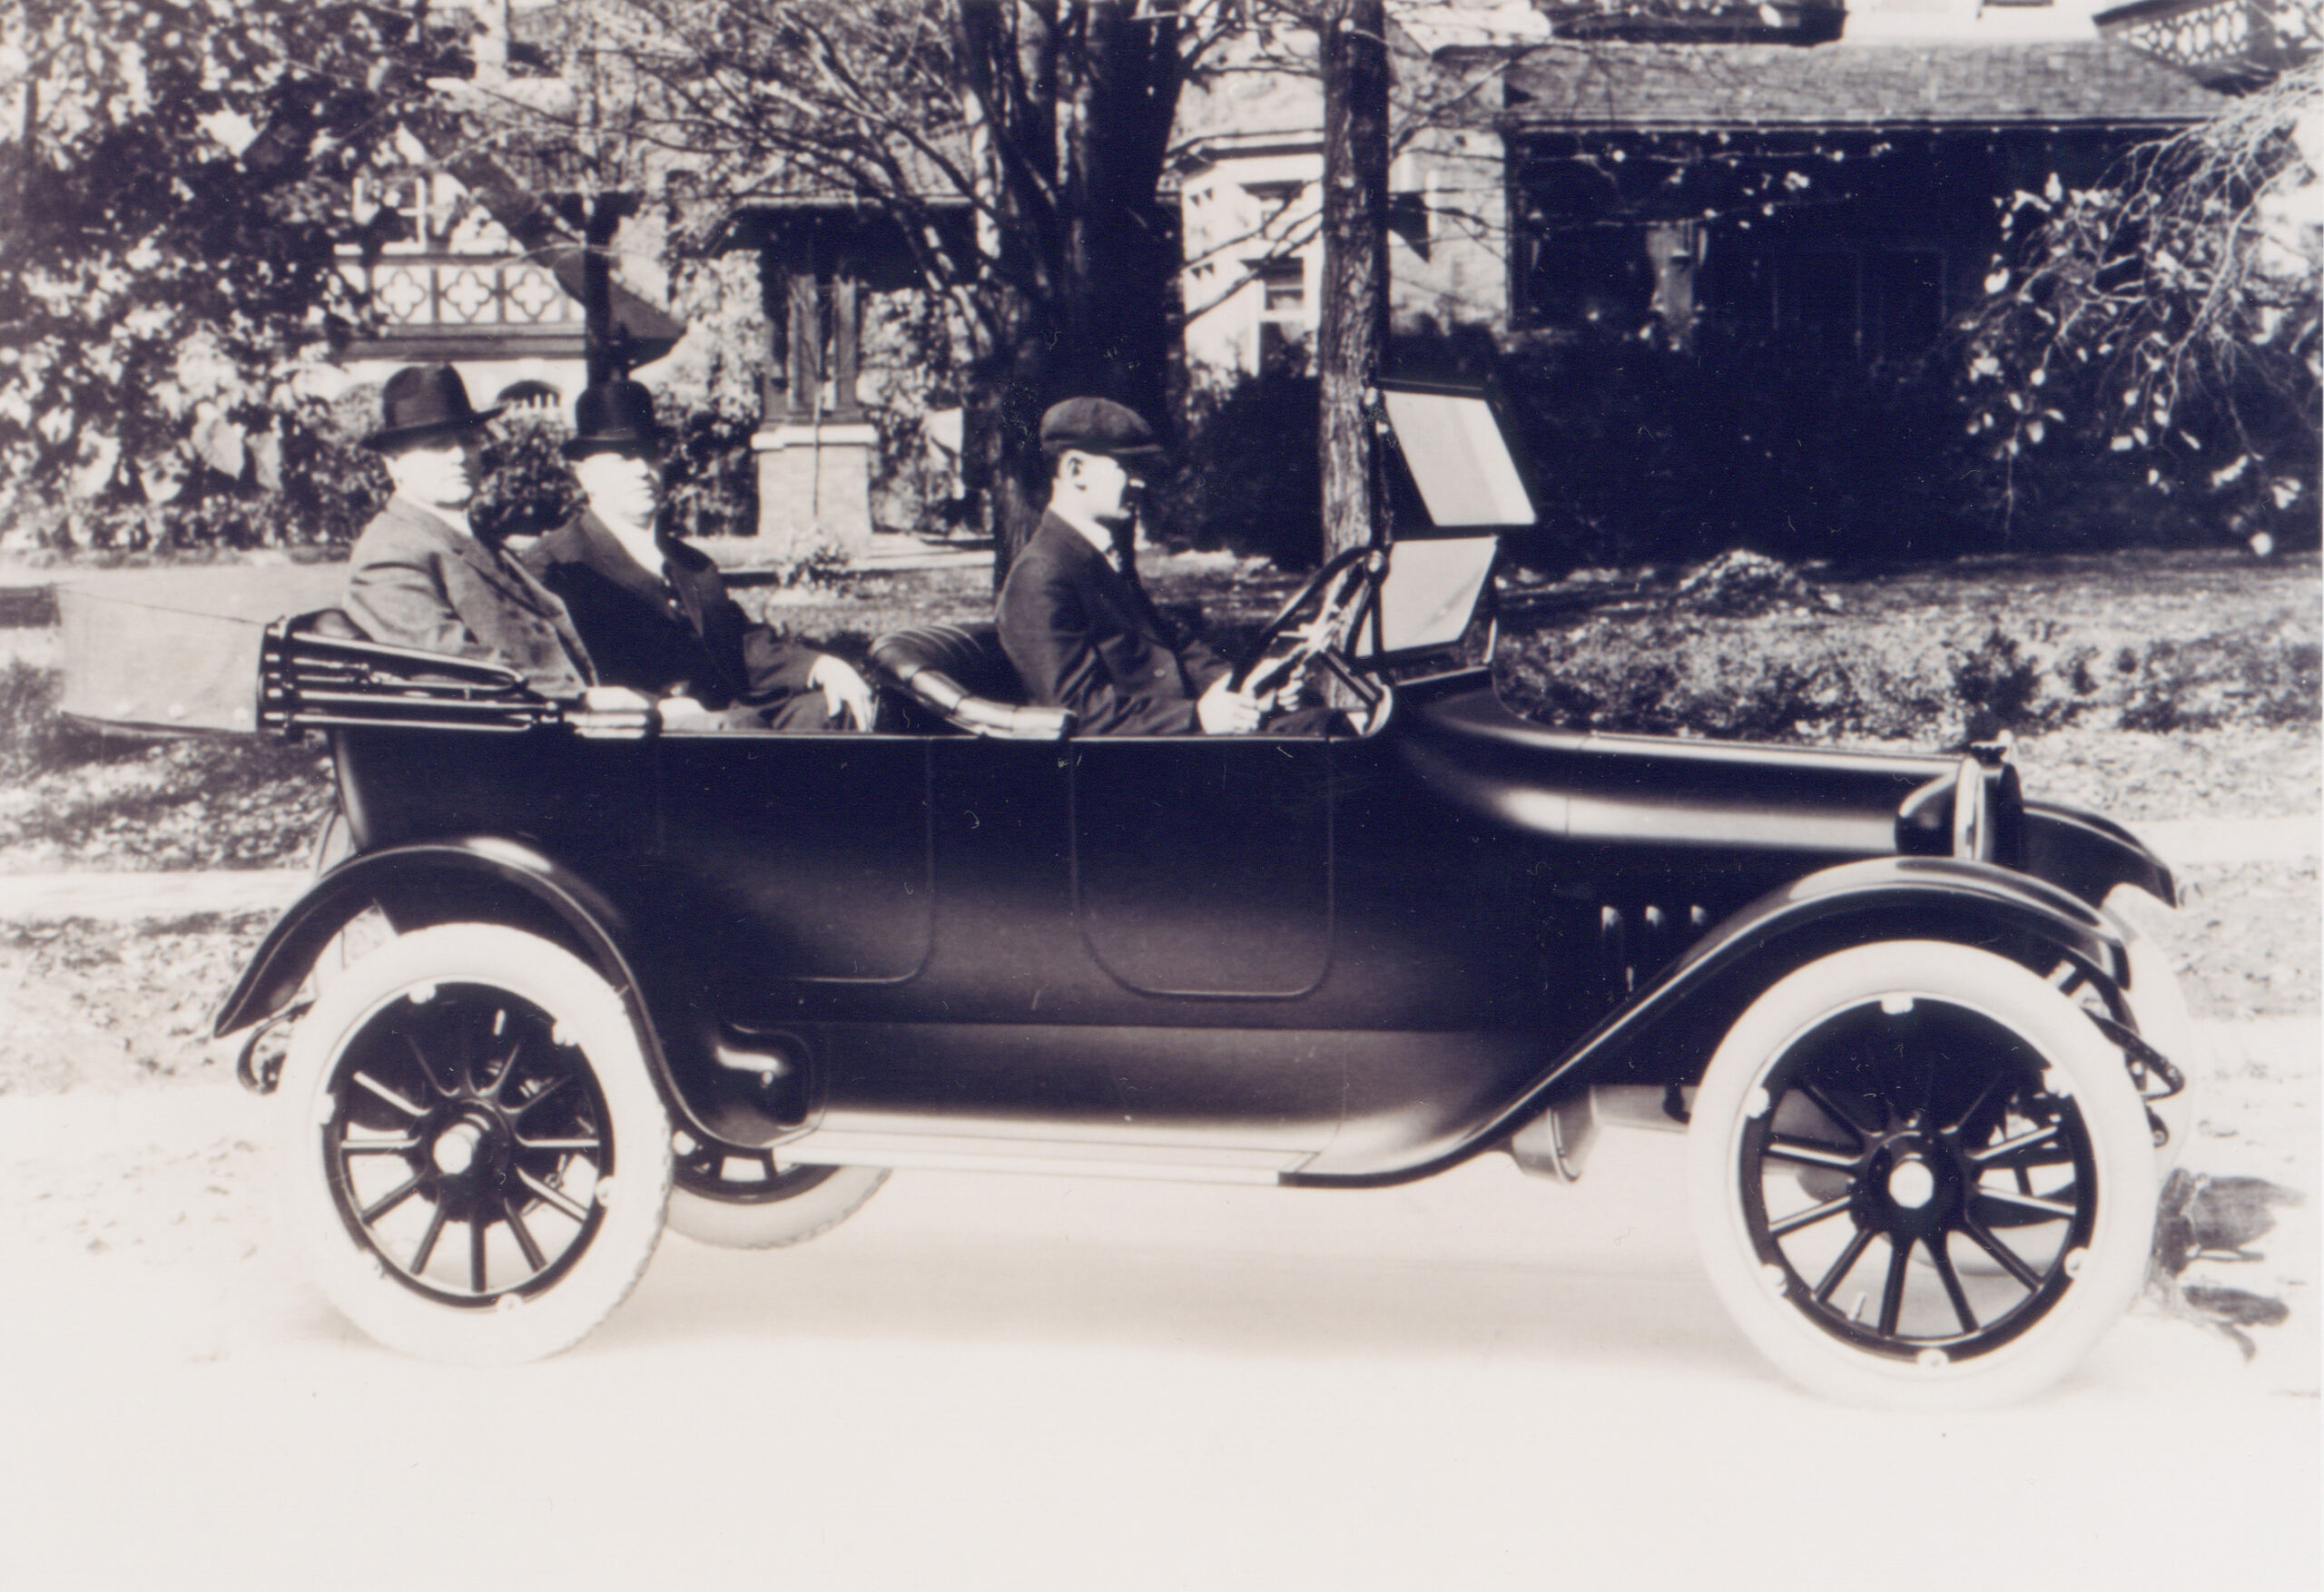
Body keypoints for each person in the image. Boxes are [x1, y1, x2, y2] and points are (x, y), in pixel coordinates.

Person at [519, 379, 876, 732]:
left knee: (832, 709)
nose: (642, 470)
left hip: (726, 723)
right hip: (641, 741)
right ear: (586, 475)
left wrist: (818, 665)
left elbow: (737, 642)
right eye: (623, 458)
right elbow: (557, 675)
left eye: (649, 453)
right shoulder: (557, 565)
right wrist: (656, 708)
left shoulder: (690, 562)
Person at [998, 397, 1321, 735]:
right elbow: (1079, 712)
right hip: (1139, 763)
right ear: (1075, 470)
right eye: (1128, 466)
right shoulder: (1042, 573)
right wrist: (1196, 718)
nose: (1141, 482)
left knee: (1325, 720)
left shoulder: (1094, 556)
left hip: (1165, 740)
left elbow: (1168, 647)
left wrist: (1242, 682)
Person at [342, 364, 597, 700]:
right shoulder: (391, 553)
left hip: (548, 719)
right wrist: (584, 699)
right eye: (436, 445)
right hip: (506, 736)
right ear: (394, 463)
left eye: (468, 440)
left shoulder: (469, 534)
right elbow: (447, 664)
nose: (459, 457)